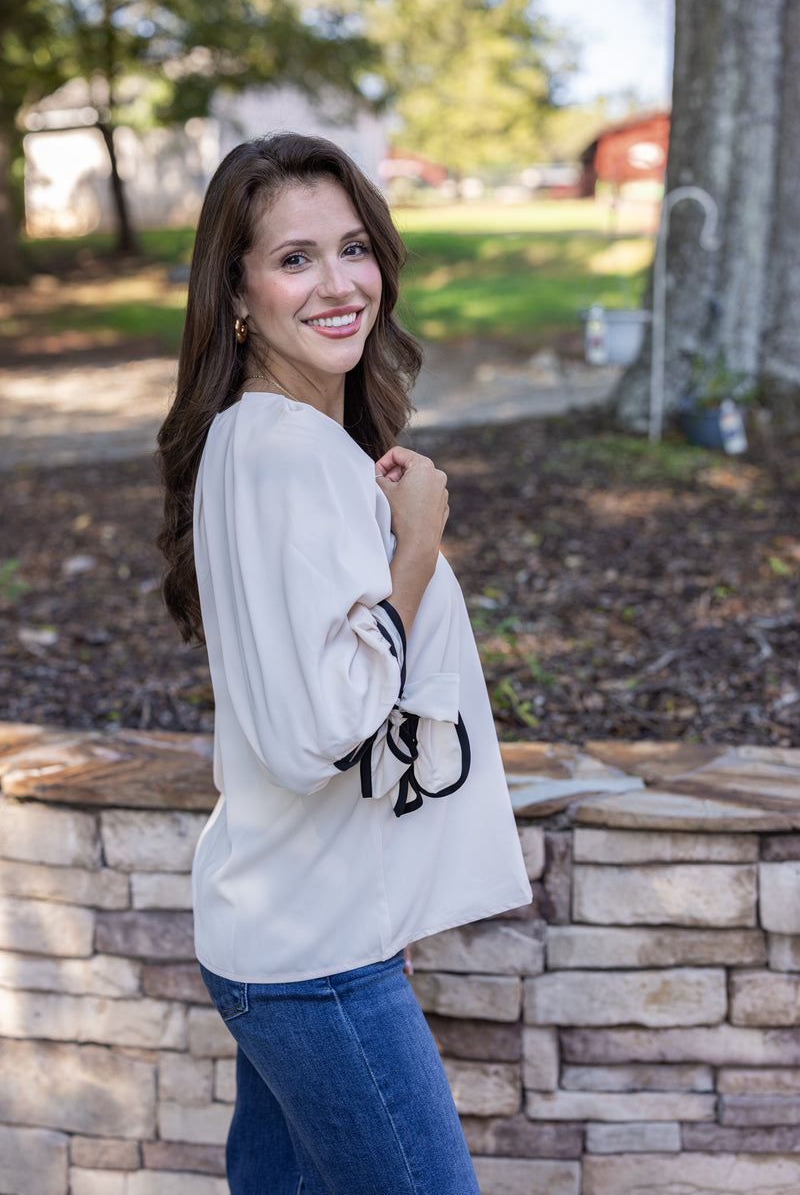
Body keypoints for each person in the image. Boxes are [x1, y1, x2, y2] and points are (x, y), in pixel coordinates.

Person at [156, 132, 531, 1195]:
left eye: (353, 247)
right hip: (315, 959)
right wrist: (416, 543)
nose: (337, 284)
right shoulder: (287, 454)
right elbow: (323, 726)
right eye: (294, 258)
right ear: (236, 294)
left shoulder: (249, 436)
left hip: (289, 930)